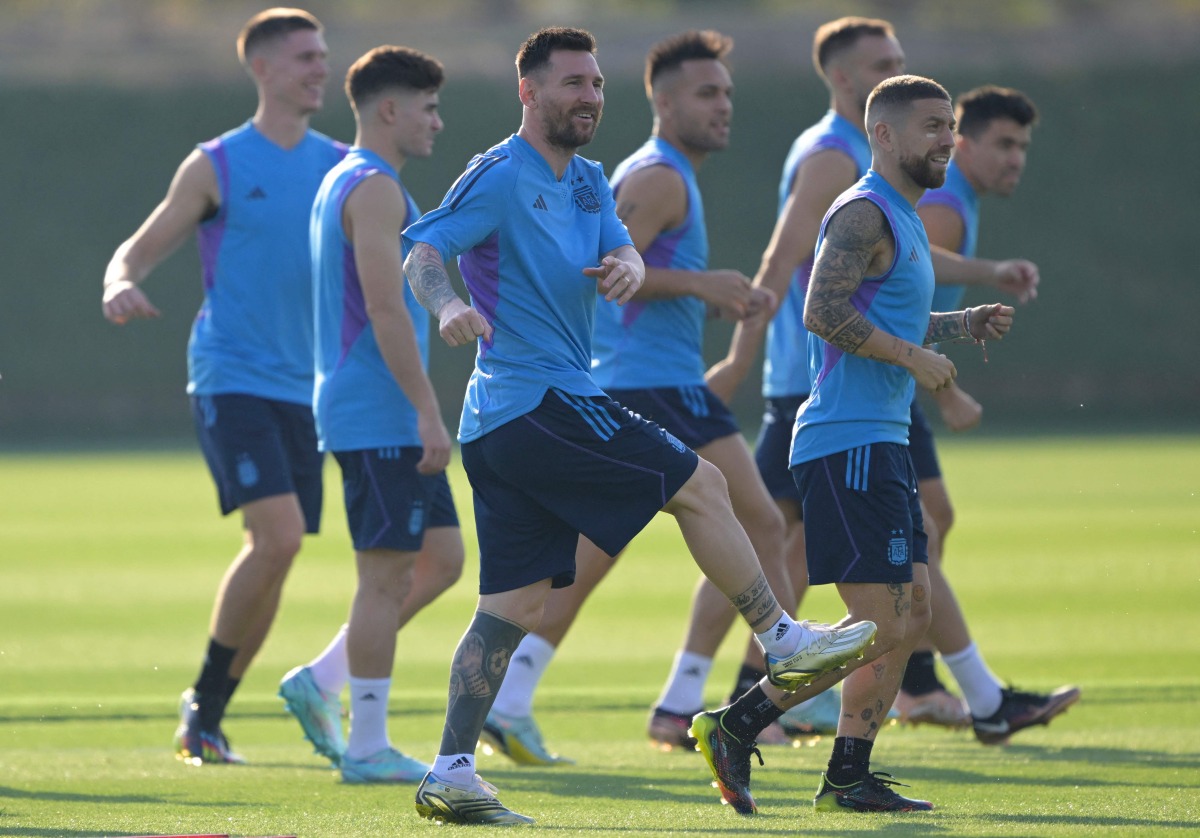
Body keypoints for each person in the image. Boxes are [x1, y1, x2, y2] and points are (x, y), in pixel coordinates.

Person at [400, 27, 878, 826]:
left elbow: (622, 252)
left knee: (511, 609)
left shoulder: (591, 181)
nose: (589, 96)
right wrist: (448, 304)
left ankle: (451, 770)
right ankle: (782, 640)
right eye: (571, 84)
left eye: (595, 84)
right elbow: (422, 251)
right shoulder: (498, 172)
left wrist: (626, 266)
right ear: (528, 92)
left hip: (511, 422)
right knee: (703, 485)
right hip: (535, 400)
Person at [690, 74, 1016, 814]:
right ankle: (737, 724)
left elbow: (888, 315)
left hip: (882, 440)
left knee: (911, 613)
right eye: (932, 126)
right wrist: (913, 359)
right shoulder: (864, 210)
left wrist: (960, 325)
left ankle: (846, 774)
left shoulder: (904, 216)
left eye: (950, 126)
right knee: (884, 619)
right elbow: (822, 310)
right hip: (847, 443)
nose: (947, 139)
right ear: (884, 135)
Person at [477, 29, 791, 764]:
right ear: (664, 103)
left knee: (596, 553)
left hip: (651, 378)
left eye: (727, 93)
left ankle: (522, 697)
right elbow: (601, 270)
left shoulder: (661, 174)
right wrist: (702, 285)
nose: (723, 106)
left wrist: (703, 298)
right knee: (760, 525)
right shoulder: (658, 177)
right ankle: (727, 698)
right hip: (652, 382)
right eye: (707, 94)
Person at [100, 8, 346, 765]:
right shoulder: (218, 163)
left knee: (279, 551)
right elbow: (138, 249)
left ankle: (206, 715)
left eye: (323, 55)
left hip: (308, 391)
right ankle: (203, 708)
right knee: (276, 537)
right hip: (232, 375)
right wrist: (119, 281)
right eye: (304, 57)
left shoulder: (344, 165)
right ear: (262, 69)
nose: (320, 68)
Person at [276, 44, 466, 785]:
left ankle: (321, 679)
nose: (437, 122)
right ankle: (367, 746)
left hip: (369, 406)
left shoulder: (346, 179)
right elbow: (387, 309)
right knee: (384, 578)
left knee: (442, 559)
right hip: (378, 411)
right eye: (429, 108)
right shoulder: (377, 188)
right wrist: (426, 411)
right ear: (390, 109)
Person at [895, 85, 1080, 737]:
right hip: (870, 391)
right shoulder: (944, 205)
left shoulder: (955, 201)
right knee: (887, 542)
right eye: (1003, 144)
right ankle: (763, 691)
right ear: (964, 145)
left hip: (891, 389)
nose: (1015, 158)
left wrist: (990, 272)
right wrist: (948, 392)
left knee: (929, 524)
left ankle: (918, 682)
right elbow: (900, 304)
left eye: (1022, 146)